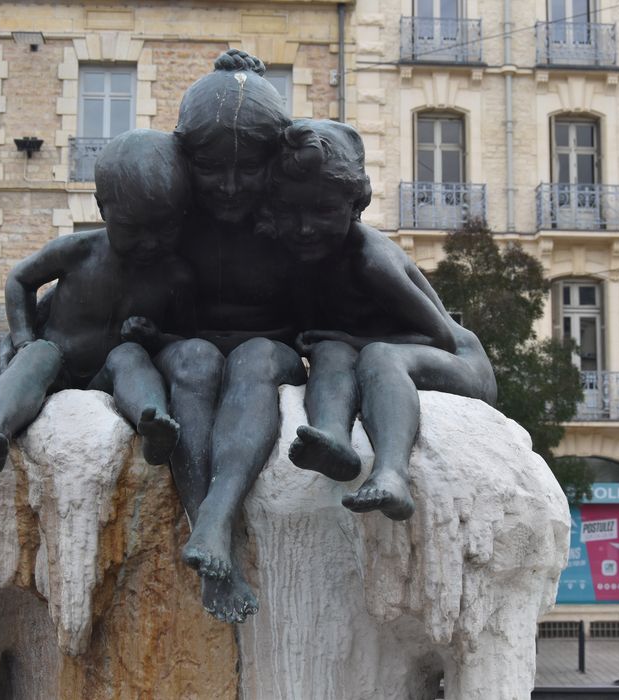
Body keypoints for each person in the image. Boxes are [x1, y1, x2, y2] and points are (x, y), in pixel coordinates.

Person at [257, 119, 497, 520]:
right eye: (291, 212)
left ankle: (391, 475)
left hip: (459, 364)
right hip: (375, 354)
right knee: (330, 351)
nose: (305, 227)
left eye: (324, 211)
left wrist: (353, 342)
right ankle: (333, 441)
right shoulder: (300, 259)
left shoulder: (370, 260)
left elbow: (441, 338)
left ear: (355, 207)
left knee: (377, 357)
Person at [145, 50, 306, 623]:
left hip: (270, 348)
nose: (231, 186)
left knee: (255, 359)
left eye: (249, 168)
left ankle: (215, 518)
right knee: (193, 360)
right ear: (188, 157)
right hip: (189, 347)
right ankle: (209, 533)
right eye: (213, 169)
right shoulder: (168, 213)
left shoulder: (297, 215)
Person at [0, 129, 194, 475]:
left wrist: (156, 337)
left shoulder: (174, 277)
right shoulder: (78, 251)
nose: (148, 241)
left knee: (130, 355)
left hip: (109, 375)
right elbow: (19, 280)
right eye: (133, 228)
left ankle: (154, 421)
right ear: (103, 209)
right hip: (58, 368)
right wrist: (23, 339)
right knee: (41, 353)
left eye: (162, 229)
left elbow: (189, 335)